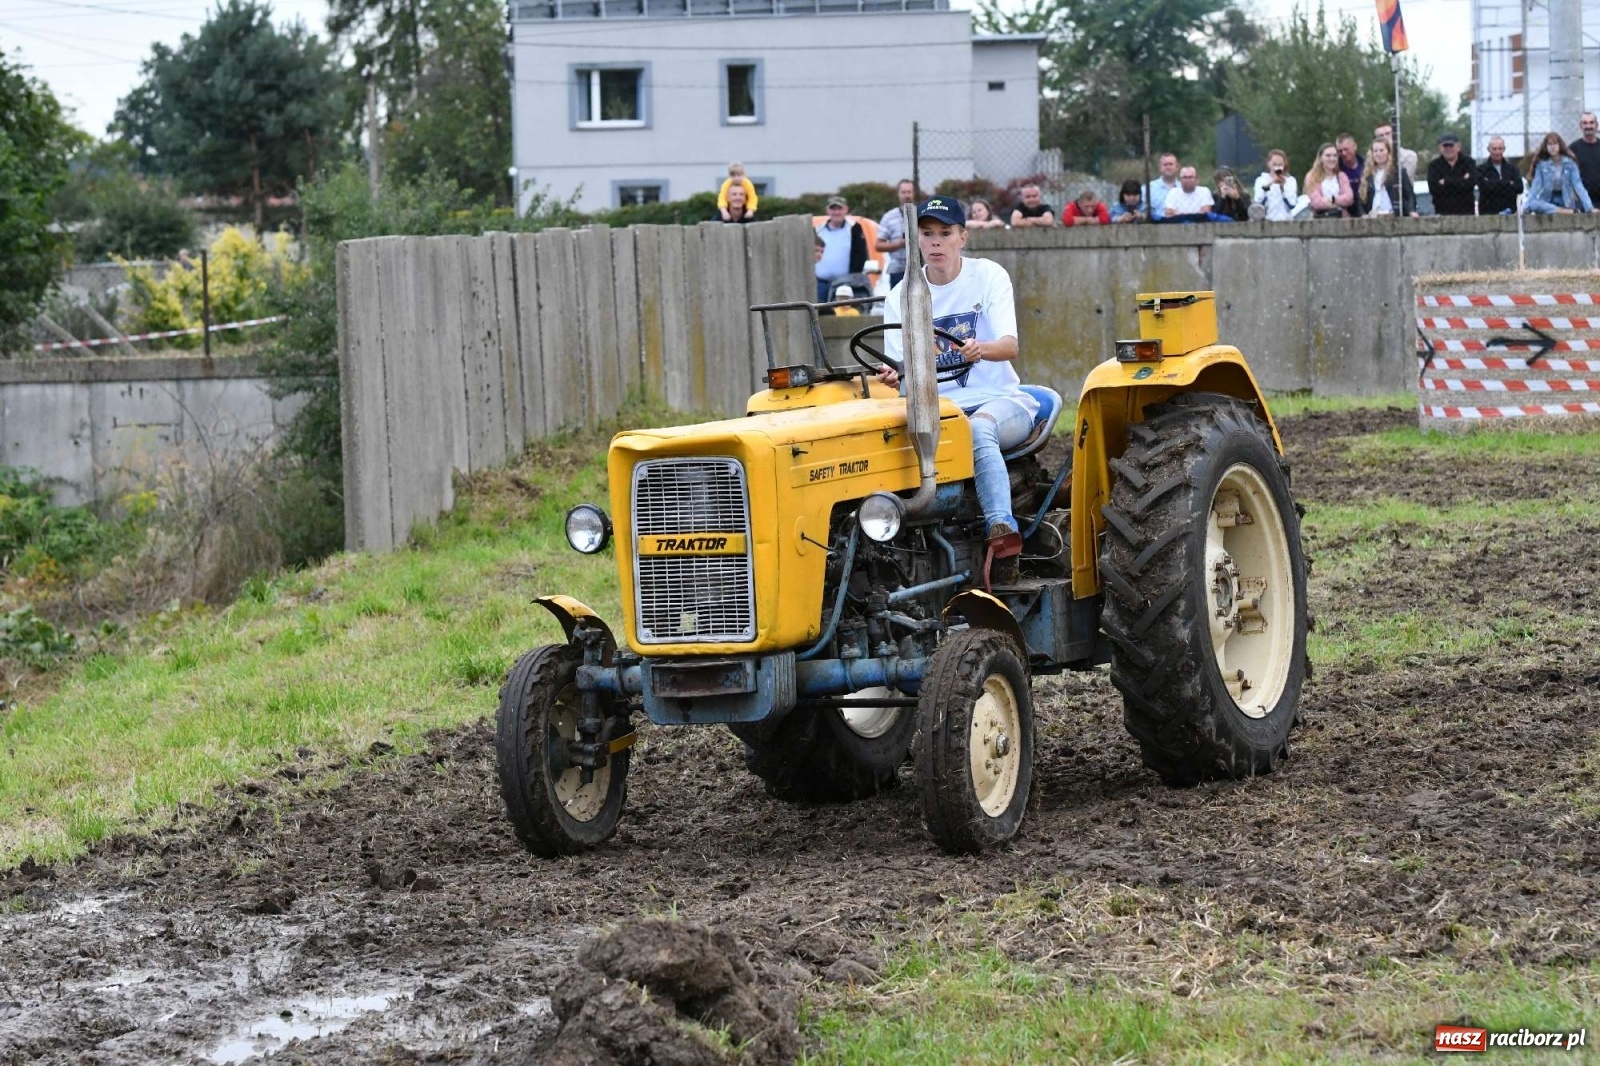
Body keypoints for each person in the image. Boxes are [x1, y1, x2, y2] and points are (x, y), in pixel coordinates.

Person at [875, 197, 1036, 583]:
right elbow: (901, 369)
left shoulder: (987, 276)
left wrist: (982, 349)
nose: (936, 243)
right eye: (927, 234)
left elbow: (1010, 346)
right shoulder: (900, 296)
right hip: (939, 409)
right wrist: (893, 374)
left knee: (977, 428)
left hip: (998, 402)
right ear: (916, 241)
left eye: (945, 234)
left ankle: (1002, 537)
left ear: (962, 237)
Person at [1524, 131, 1594, 214]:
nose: (1552, 147)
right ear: (1546, 147)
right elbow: (1536, 186)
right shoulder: (1542, 165)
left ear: (1560, 146)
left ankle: (1560, 210)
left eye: (1555, 144)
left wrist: (1589, 207)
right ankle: (1565, 211)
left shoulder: (1570, 163)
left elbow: (1578, 185)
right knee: (1533, 204)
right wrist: (1527, 205)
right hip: (1548, 199)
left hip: (1565, 199)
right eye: (1549, 144)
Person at [814, 195, 868, 302]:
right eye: (833, 209)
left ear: (846, 209)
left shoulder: (854, 228)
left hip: (845, 284)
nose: (836, 212)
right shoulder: (818, 230)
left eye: (840, 208)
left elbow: (861, 254)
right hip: (821, 283)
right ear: (827, 210)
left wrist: (853, 277)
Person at [1355, 138, 1417, 217]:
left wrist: (1411, 210)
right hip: (1373, 216)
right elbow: (1360, 198)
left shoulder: (1398, 172)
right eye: (1375, 151)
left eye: (1381, 150)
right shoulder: (1367, 174)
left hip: (1394, 216)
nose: (1378, 154)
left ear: (1388, 152)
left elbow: (1409, 194)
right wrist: (1363, 214)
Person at [876, 178, 919, 288]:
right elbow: (878, 245)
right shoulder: (889, 217)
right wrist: (898, 244)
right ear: (898, 194)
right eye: (903, 192)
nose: (907, 195)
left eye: (909, 192)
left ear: (914, 193)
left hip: (921, 267)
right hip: (898, 269)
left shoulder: (922, 214)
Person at [1426, 133, 1478, 215]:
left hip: (1467, 213)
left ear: (1458, 147)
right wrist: (1461, 181)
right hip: (1443, 213)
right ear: (1440, 148)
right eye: (1445, 146)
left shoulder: (1469, 162)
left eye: (1451, 146)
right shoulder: (1434, 166)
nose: (1448, 149)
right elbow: (1434, 189)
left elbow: (1471, 183)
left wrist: (1446, 182)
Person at [1476, 136, 1524, 215]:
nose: (1497, 152)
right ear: (1488, 149)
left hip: (1509, 214)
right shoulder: (1481, 169)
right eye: (1494, 149)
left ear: (1504, 149)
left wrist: (1492, 184)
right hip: (1488, 214)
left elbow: (1519, 188)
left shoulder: (1513, 169)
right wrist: (1508, 183)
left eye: (1500, 148)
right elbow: (1484, 187)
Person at [1305, 143, 1354, 217]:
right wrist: (1338, 204)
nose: (1332, 159)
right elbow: (1317, 203)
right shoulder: (1312, 177)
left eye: (1334, 155)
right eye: (1328, 156)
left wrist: (1332, 199)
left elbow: (1349, 198)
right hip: (1320, 220)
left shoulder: (1341, 176)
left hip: (1341, 220)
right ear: (1321, 158)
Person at [1252, 149, 1300, 221]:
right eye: (1274, 164)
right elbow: (1258, 202)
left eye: (1280, 165)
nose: (1277, 167)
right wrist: (1270, 184)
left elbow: (1292, 204)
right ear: (1268, 164)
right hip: (1267, 222)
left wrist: (1282, 189)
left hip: (1286, 221)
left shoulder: (1290, 181)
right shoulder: (1261, 180)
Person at [1571, 112, 1600, 208]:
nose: (1588, 126)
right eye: (1585, 123)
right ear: (1580, 126)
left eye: (1591, 123)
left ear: (1597, 125)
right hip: (1582, 202)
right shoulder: (1573, 149)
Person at [1145, 153, 1180, 218]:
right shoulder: (1148, 188)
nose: (1168, 167)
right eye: (1165, 164)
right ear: (1160, 168)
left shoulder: (1184, 188)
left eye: (1171, 164)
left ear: (1177, 167)